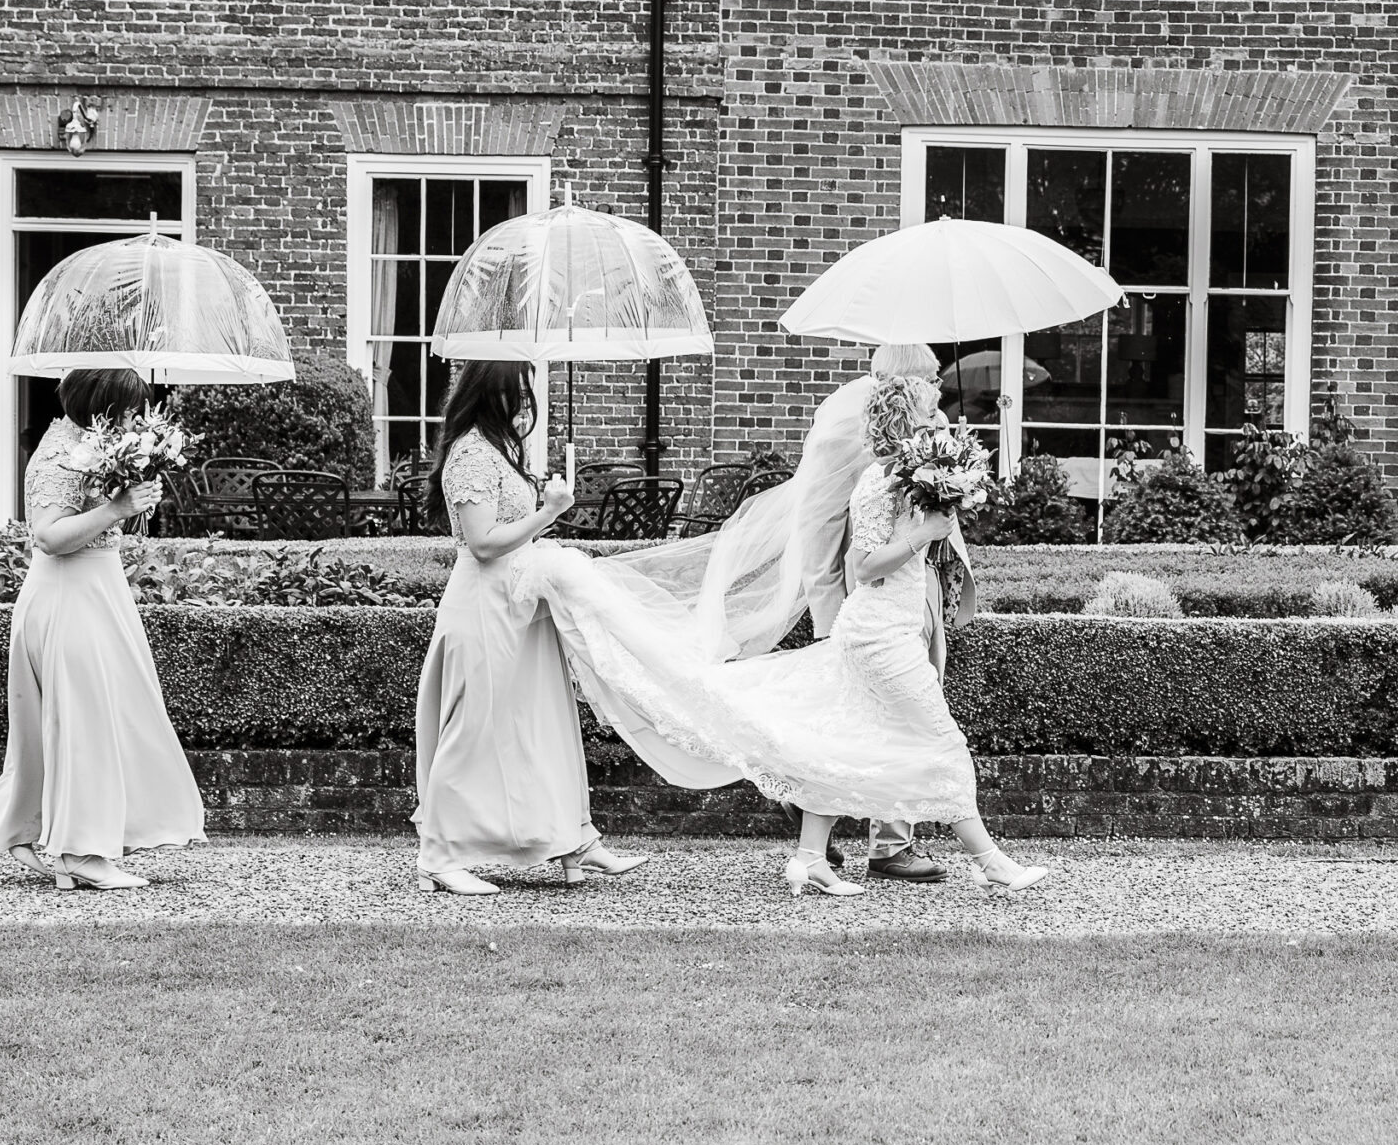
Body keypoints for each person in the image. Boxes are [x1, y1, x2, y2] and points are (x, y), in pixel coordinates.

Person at [516, 374, 1045, 897]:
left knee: (843, 742)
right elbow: (864, 568)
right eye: (931, 413)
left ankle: (810, 858)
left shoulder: (911, 484)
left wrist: (941, 511)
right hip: (878, 637)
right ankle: (990, 862)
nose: (941, 421)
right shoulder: (878, 484)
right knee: (943, 743)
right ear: (907, 422)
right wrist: (921, 536)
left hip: (893, 632)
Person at [0, 368, 205, 890]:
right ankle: (80, 853)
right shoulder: (62, 454)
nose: (132, 417)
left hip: (100, 593)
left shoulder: (90, 443)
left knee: (110, 719)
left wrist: (133, 494)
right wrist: (117, 508)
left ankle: (32, 830)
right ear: (98, 404)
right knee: (85, 726)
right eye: (126, 407)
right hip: (68, 599)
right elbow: (48, 535)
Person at [412, 360, 648, 896]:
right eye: (516, 394)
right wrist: (549, 513)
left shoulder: (499, 449)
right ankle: (440, 856)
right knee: (475, 729)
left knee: (541, 725)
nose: (524, 406)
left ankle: (572, 840)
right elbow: (483, 542)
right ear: (489, 394)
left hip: (521, 606)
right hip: (485, 607)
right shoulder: (471, 452)